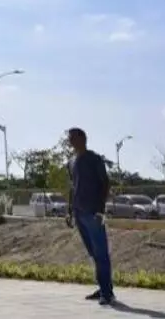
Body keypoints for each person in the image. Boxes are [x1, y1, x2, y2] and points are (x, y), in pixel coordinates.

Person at [66, 127, 114, 305]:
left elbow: (105, 183)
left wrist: (101, 209)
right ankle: (103, 287)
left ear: (82, 138)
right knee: (93, 253)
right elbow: (73, 187)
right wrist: (69, 210)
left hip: (93, 212)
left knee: (101, 252)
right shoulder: (70, 162)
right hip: (79, 213)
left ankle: (107, 293)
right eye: (69, 138)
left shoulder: (94, 159)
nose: (70, 141)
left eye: (72, 137)